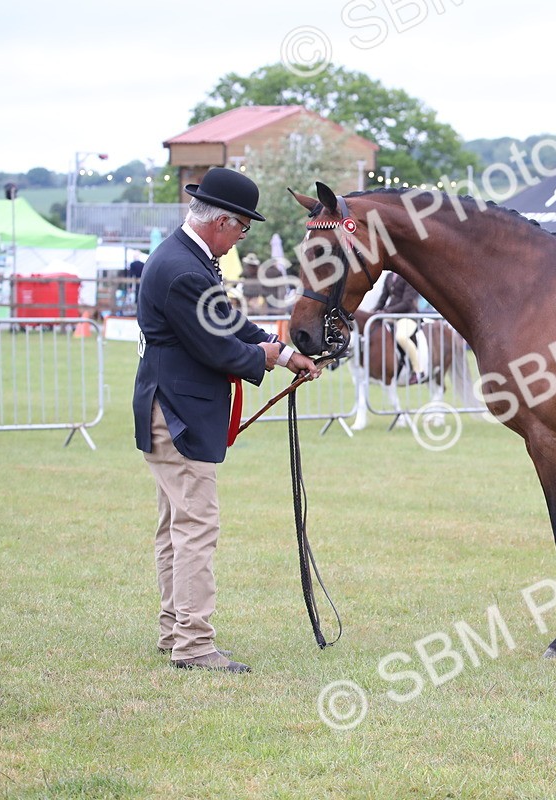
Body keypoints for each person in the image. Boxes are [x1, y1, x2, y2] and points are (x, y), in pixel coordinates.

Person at [133, 167, 322, 673]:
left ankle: (175, 628)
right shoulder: (185, 269)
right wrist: (267, 358)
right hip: (178, 412)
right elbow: (218, 348)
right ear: (222, 221)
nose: (244, 236)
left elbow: (228, 323)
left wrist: (281, 352)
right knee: (195, 525)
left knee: (177, 524)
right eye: (244, 227)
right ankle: (192, 644)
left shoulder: (187, 257)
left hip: (170, 408)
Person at [375, 270, 425, 383]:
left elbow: (407, 303)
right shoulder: (388, 276)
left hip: (408, 316)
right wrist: (373, 312)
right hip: (392, 316)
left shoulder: (409, 276)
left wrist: (387, 311)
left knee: (401, 337)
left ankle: (418, 370)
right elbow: (383, 298)